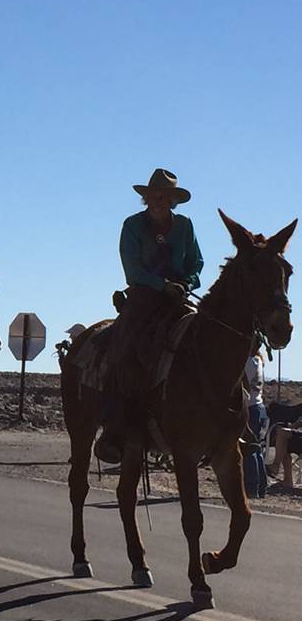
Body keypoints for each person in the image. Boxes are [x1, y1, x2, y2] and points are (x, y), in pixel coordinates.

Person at [95, 168, 204, 463]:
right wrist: (162, 285)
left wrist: (185, 283)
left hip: (179, 297)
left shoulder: (185, 226)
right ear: (146, 198)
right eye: (153, 196)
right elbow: (133, 270)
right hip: (143, 298)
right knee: (122, 347)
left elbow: (197, 263)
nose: (157, 201)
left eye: (164, 197)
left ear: (172, 201)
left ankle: (221, 423)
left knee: (209, 340)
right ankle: (115, 422)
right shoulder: (132, 226)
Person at [242, 342, 268, 499]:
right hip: (259, 406)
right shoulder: (258, 361)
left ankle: (251, 487)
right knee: (257, 448)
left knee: (249, 448)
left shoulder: (247, 362)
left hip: (250, 407)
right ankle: (261, 487)